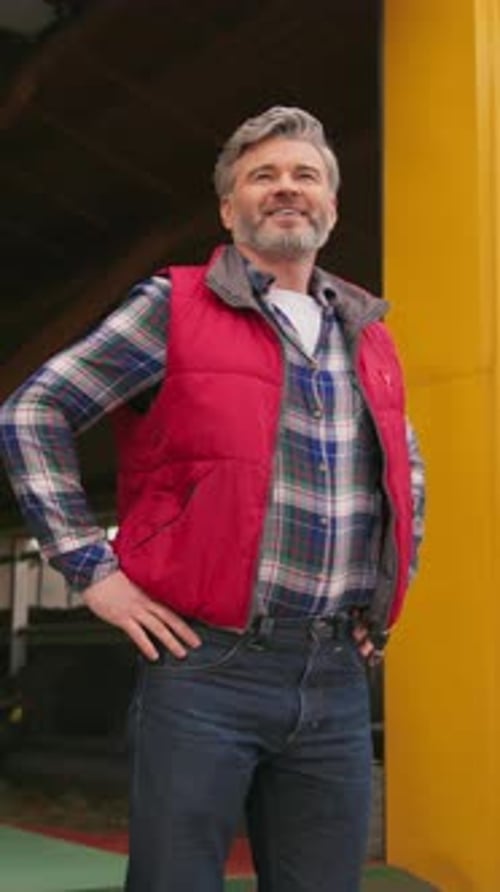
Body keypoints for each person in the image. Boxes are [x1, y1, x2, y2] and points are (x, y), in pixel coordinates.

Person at [0, 106, 425, 892]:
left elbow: (404, 469)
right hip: (206, 670)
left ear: (331, 206)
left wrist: (387, 593)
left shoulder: (368, 330)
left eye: (305, 175)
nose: (286, 189)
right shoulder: (174, 307)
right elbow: (33, 411)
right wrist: (93, 570)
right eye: (262, 176)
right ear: (230, 210)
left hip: (335, 675)